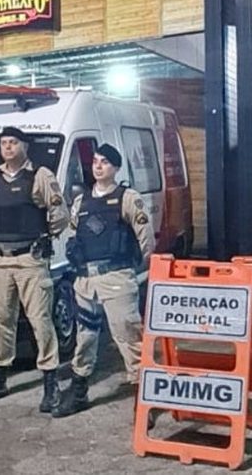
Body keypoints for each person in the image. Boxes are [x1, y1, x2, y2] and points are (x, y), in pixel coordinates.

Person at [53, 143, 154, 418]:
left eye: (105, 162)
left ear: (116, 168)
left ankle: (144, 400)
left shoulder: (128, 198)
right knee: (85, 338)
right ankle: (79, 392)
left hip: (116, 278)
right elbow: (73, 235)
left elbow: (146, 239)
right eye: (96, 161)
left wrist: (134, 267)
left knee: (128, 337)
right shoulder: (81, 201)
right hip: (86, 280)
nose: (98, 166)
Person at [0, 126, 70, 411]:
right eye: (3, 143)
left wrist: (43, 238)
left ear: (24, 146)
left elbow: (60, 214)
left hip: (30, 260)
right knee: (2, 319)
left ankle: (50, 382)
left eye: (13, 142)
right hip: (0, 260)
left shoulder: (40, 176)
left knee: (40, 320)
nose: (7, 147)